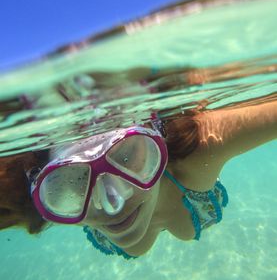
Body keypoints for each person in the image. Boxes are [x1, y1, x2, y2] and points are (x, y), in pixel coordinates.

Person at [0, 61, 276, 259]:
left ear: (159, 137)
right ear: (41, 181)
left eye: (127, 154)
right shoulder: (26, 198)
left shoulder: (201, 146)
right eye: (73, 178)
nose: (112, 205)